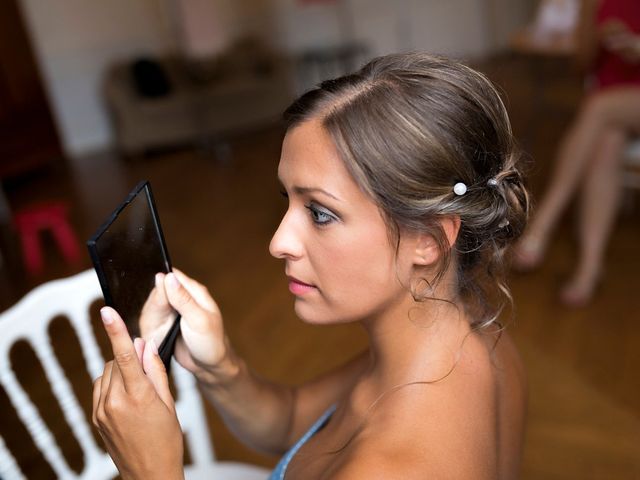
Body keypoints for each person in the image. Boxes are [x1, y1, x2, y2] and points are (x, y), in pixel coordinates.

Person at [91, 53, 529, 479]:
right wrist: (219, 368)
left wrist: (151, 469)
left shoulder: (395, 467)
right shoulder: (465, 341)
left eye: (320, 212)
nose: (278, 242)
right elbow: (289, 421)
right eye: (290, 200)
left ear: (428, 240)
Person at [514, 0, 640, 306]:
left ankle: (543, 222)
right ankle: (590, 265)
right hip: (608, 104)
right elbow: (581, 67)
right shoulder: (592, 3)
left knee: (598, 108)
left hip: (613, 103)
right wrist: (595, 40)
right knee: (606, 140)